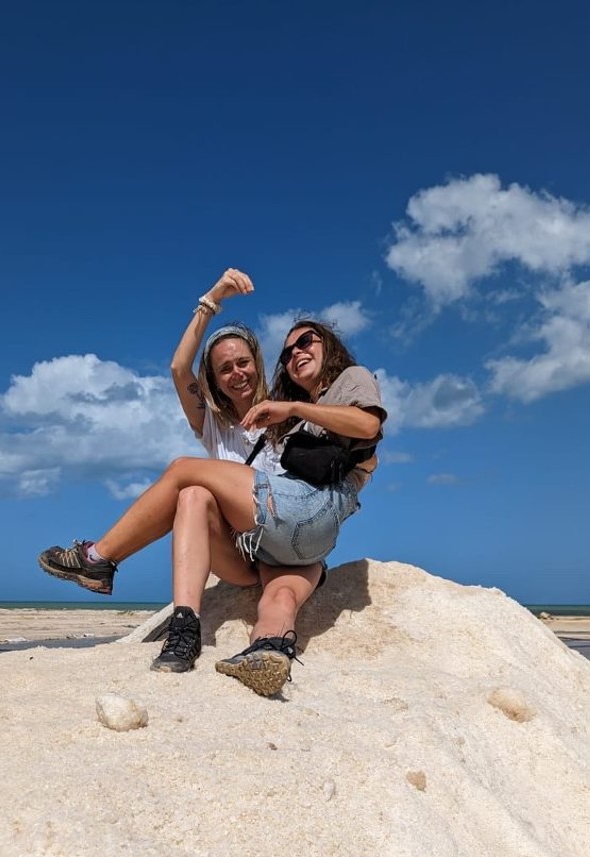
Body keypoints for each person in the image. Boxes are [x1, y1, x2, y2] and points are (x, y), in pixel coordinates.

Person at [40, 288, 386, 695]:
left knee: (186, 473)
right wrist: (212, 300)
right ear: (214, 380)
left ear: (258, 365)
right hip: (255, 550)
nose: (238, 373)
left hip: (287, 520)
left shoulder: (285, 411)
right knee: (275, 595)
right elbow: (178, 367)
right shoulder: (216, 425)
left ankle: (98, 557)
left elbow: (362, 428)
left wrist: (291, 410)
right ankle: (263, 647)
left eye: (245, 363)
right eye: (225, 369)